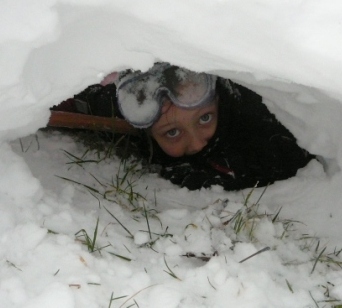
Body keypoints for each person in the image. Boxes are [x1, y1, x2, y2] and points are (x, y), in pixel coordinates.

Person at [52, 62, 314, 191]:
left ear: (219, 100)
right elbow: (73, 101)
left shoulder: (249, 113)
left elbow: (287, 160)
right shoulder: (119, 106)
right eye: (172, 133)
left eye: (205, 118)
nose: (199, 143)